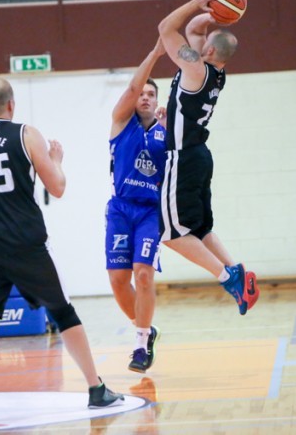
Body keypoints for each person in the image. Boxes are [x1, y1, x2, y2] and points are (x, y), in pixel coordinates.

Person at [0, 78, 124, 423]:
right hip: (27, 242)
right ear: (11, 104)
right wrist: (56, 160)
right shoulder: (27, 134)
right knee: (64, 312)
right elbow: (58, 187)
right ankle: (96, 389)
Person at [157, 0, 259, 316]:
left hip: (183, 157)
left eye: (206, 41)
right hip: (200, 157)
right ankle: (237, 270)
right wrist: (216, 15)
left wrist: (199, 2)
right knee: (200, 230)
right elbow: (194, 29)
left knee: (171, 234)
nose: (199, 40)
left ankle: (227, 277)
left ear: (210, 50)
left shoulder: (195, 68)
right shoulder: (217, 73)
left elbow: (166, 29)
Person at [107, 38, 167, 373]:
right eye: (141, 93)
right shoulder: (121, 121)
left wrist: (171, 131)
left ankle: (141, 345)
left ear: (157, 101)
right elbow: (132, 87)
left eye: (151, 94)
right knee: (119, 280)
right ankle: (147, 327)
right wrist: (156, 52)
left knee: (143, 274)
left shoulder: (165, 132)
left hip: (149, 212)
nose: (144, 97)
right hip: (120, 209)